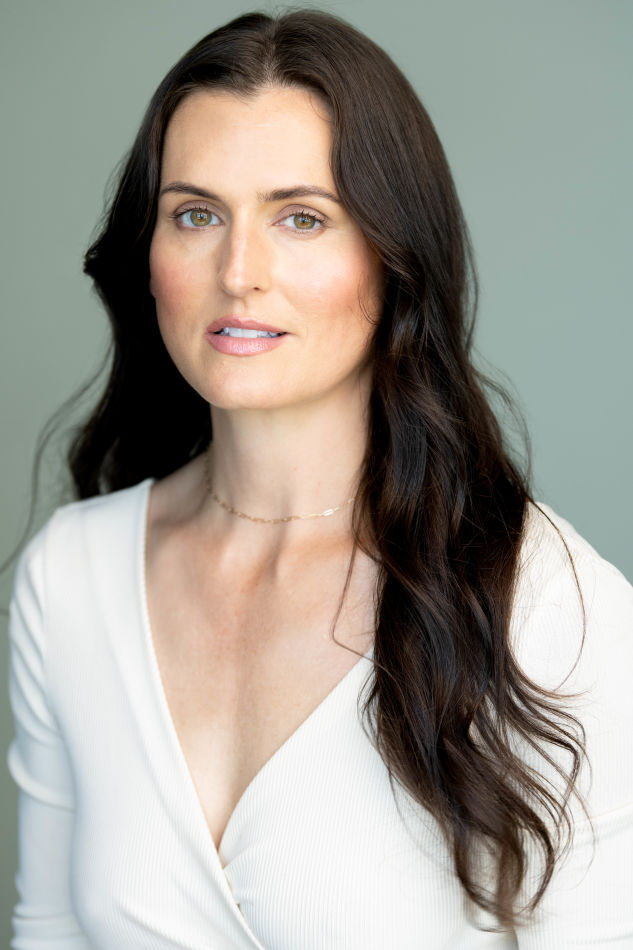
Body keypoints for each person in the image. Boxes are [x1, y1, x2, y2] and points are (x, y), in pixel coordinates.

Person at [6, 9, 633, 949]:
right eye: (195, 214)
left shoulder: (545, 605)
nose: (238, 272)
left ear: (393, 257)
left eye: (301, 218)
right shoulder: (70, 577)